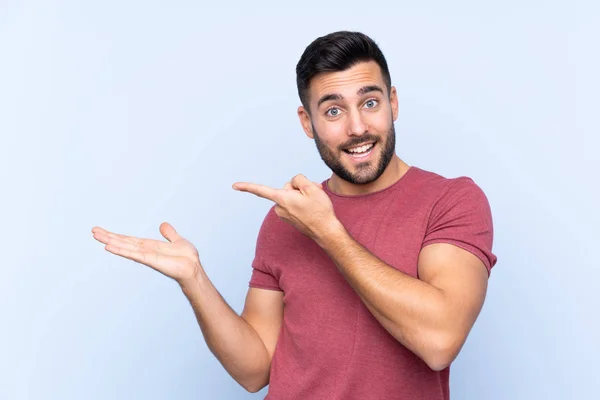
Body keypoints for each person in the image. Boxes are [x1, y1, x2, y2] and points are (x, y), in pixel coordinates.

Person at [92, 31, 497, 399]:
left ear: (393, 103)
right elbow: (254, 370)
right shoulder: (287, 218)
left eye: (370, 103)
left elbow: (440, 340)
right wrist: (195, 281)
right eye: (334, 111)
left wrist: (329, 233)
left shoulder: (452, 200)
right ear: (308, 123)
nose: (357, 127)